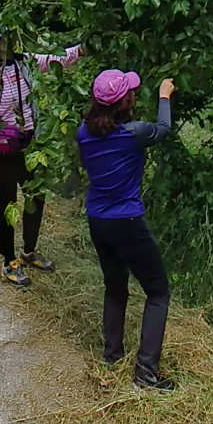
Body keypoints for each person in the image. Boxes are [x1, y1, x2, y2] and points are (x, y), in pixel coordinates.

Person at [76, 68, 176, 391]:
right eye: (131, 92)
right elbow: (163, 129)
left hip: (98, 220)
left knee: (115, 287)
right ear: (125, 102)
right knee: (158, 291)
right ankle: (146, 374)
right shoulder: (135, 132)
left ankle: (112, 357)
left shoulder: (82, 133)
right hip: (127, 221)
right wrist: (164, 95)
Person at [0, 24, 84, 287]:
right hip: (2, 150)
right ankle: (9, 260)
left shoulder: (27, 64)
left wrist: (82, 49)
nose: (9, 41)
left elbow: (57, 59)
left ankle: (29, 250)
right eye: (3, 39)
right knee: (7, 203)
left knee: (35, 194)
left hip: (29, 144)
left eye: (10, 36)